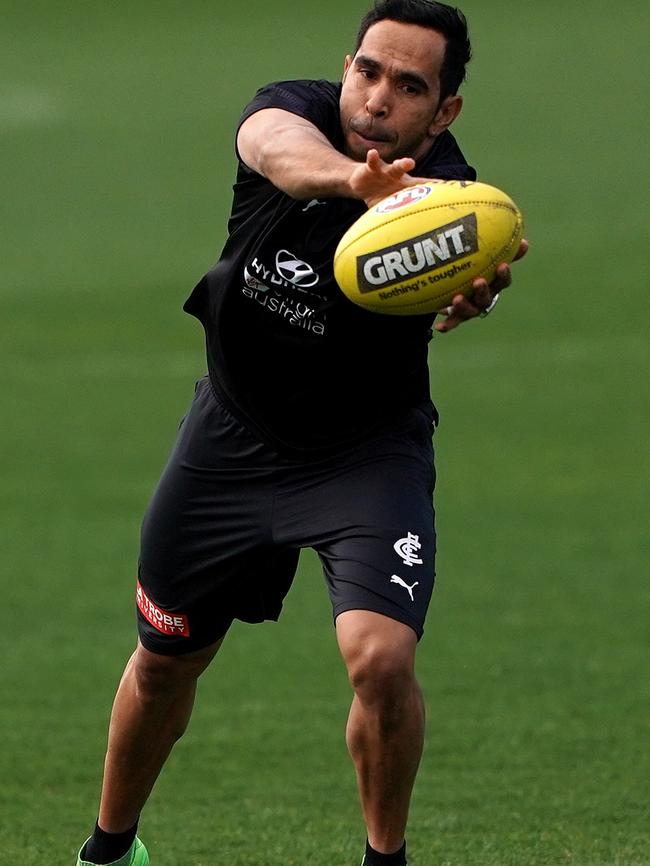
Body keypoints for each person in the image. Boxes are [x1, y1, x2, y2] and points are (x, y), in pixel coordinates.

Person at [76, 1, 527, 864]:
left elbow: (474, 262)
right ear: (346, 65)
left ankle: (383, 858)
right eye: (367, 69)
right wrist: (353, 180)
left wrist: (480, 293)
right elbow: (275, 151)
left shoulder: (450, 194)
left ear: (445, 111)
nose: (377, 97)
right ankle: (111, 848)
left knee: (381, 658)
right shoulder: (295, 111)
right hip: (230, 440)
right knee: (165, 658)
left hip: (364, 453)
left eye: (409, 85)